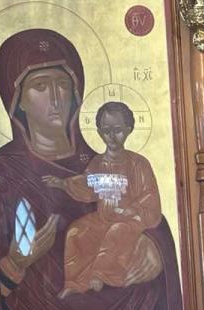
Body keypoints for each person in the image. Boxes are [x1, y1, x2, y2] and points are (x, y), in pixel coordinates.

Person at [0, 28, 183, 310]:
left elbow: (147, 209)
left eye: (63, 85)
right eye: (40, 86)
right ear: (17, 99)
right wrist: (13, 265)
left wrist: (156, 247)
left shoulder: (107, 164)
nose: (56, 98)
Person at [47, 101, 163, 298]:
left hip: (129, 221)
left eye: (117, 130)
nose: (111, 136)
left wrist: (133, 209)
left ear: (128, 130)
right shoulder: (98, 162)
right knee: (75, 232)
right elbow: (87, 185)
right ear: (100, 132)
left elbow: (149, 196)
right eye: (106, 130)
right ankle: (73, 282)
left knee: (116, 231)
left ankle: (98, 275)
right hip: (102, 218)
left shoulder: (138, 164)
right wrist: (63, 184)